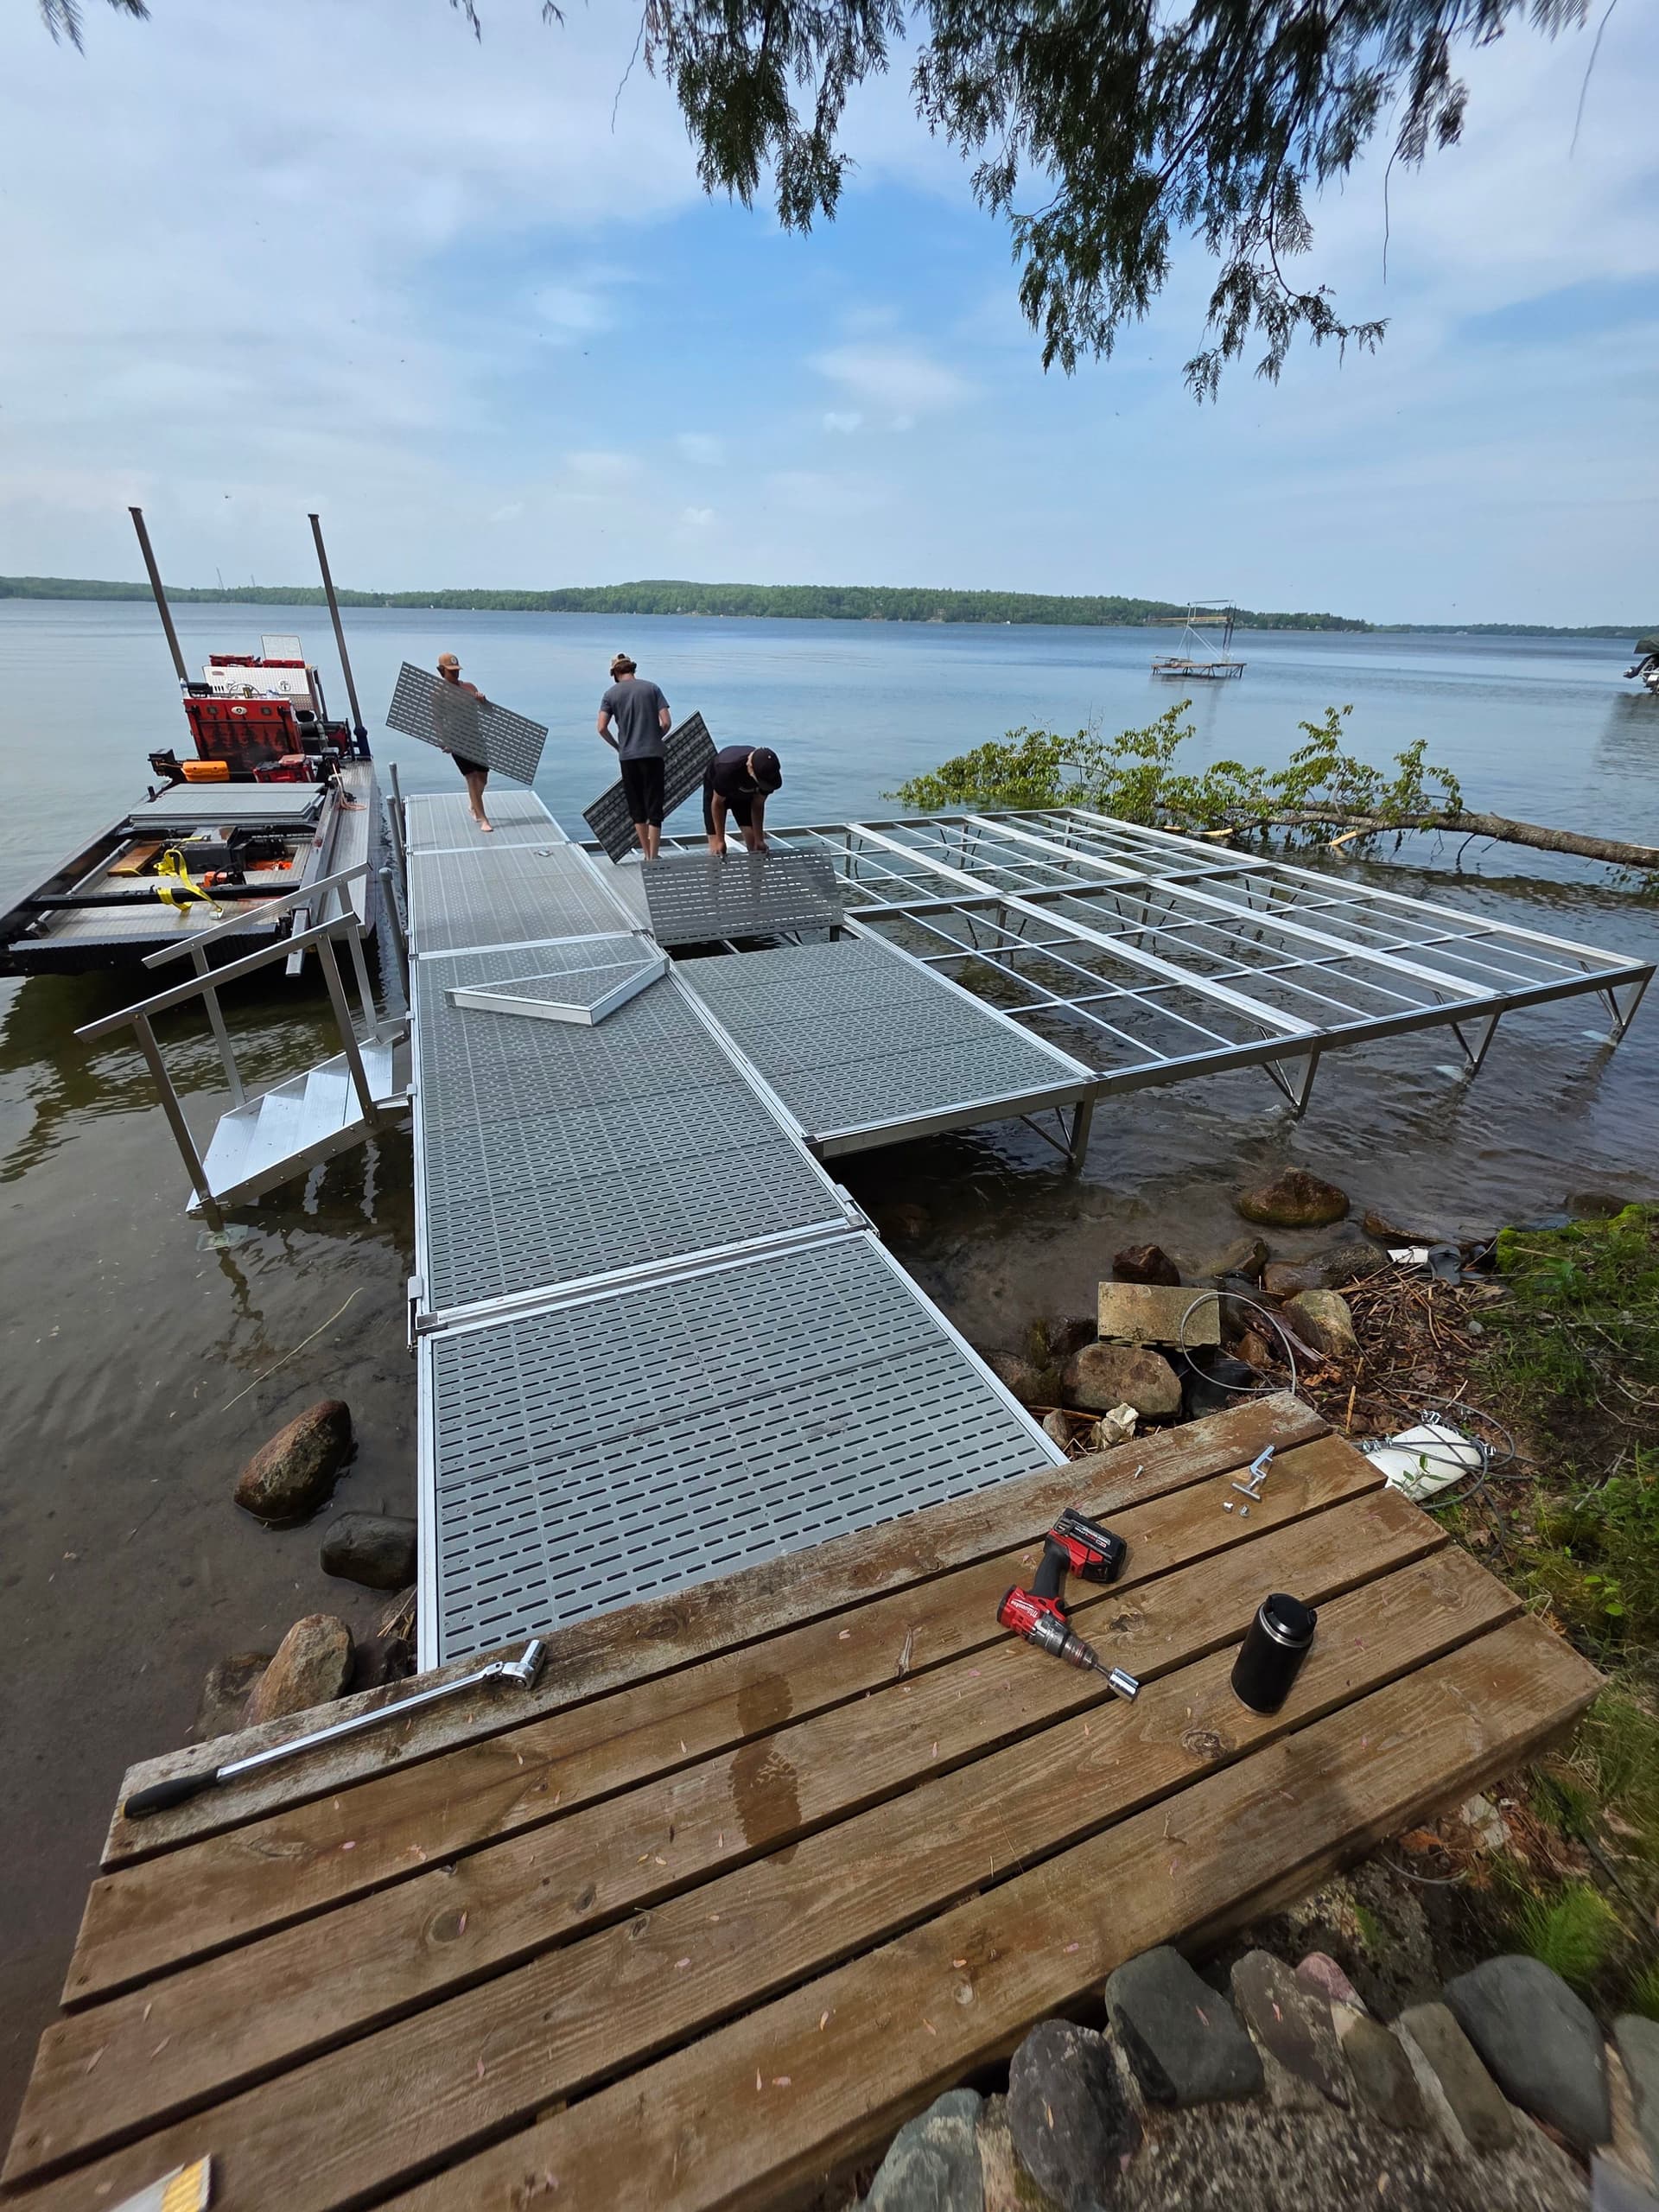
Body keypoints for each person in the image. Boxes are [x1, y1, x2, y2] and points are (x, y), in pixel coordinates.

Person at [595, 652, 672, 861]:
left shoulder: (610, 694)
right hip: (653, 755)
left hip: (628, 757)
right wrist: (656, 738)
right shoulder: (652, 688)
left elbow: (601, 728)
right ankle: (654, 856)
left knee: (637, 807)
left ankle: (646, 854)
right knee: (654, 805)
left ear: (614, 673)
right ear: (633, 669)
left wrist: (618, 746)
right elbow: (666, 722)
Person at [432, 652, 493, 832]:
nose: (455, 673)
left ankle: (473, 805)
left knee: (483, 778)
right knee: (472, 778)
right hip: (457, 740)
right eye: (451, 671)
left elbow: (487, 712)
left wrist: (483, 701)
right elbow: (437, 720)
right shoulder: (438, 693)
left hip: (476, 738)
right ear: (441, 670)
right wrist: (444, 741)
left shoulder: (469, 687)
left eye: (457, 670)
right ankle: (483, 819)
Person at [703, 745, 783, 855]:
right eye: (760, 781)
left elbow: (758, 805)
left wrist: (760, 840)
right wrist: (721, 840)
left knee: (756, 848)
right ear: (750, 766)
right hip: (718, 792)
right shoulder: (727, 770)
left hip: (744, 796)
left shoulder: (771, 777)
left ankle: (756, 872)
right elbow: (717, 804)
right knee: (717, 849)